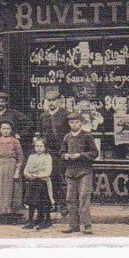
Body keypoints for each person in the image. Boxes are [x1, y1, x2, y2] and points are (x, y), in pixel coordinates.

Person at [60, 112, 99, 235]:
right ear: (69, 124)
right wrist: (65, 156)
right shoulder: (67, 137)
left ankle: (87, 225)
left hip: (85, 172)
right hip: (71, 172)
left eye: (76, 122)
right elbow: (61, 153)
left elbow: (94, 153)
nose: (74, 124)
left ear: (81, 123)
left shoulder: (87, 136)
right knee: (70, 199)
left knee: (83, 198)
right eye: (71, 122)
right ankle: (73, 225)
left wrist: (80, 155)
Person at [37, 86, 71, 215]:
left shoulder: (65, 114)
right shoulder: (43, 115)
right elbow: (40, 133)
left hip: (61, 152)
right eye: (49, 100)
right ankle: (53, 203)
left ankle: (64, 204)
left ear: (59, 101)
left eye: (54, 100)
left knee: (62, 178)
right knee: (49, 178)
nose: (51, 103)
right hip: (48, 152)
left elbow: (69, 134)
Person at [0, 119, 24, 222]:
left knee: (13, 189)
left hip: (12, 167)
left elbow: (20, 157)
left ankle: (11, 214)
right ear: (0, 130)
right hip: (0, 167)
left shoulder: (15, 141)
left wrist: (17, 171)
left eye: (8, 128)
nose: (5, 130)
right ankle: (0, 214)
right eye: (3, 128)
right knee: (0, 188)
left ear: (11, 130)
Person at [22, 135, 54, 230]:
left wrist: (36, 175)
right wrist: (27, 174)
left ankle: (46, 220)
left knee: (43, 202)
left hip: (42, 182)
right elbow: (26, 169)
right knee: (31, 201)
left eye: (41, 146)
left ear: (45, 147)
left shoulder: (47, 157)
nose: (39, 148)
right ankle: (31, 220)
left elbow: (48, 172)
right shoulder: (31, 157)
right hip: (32, 182)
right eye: (37, 146)